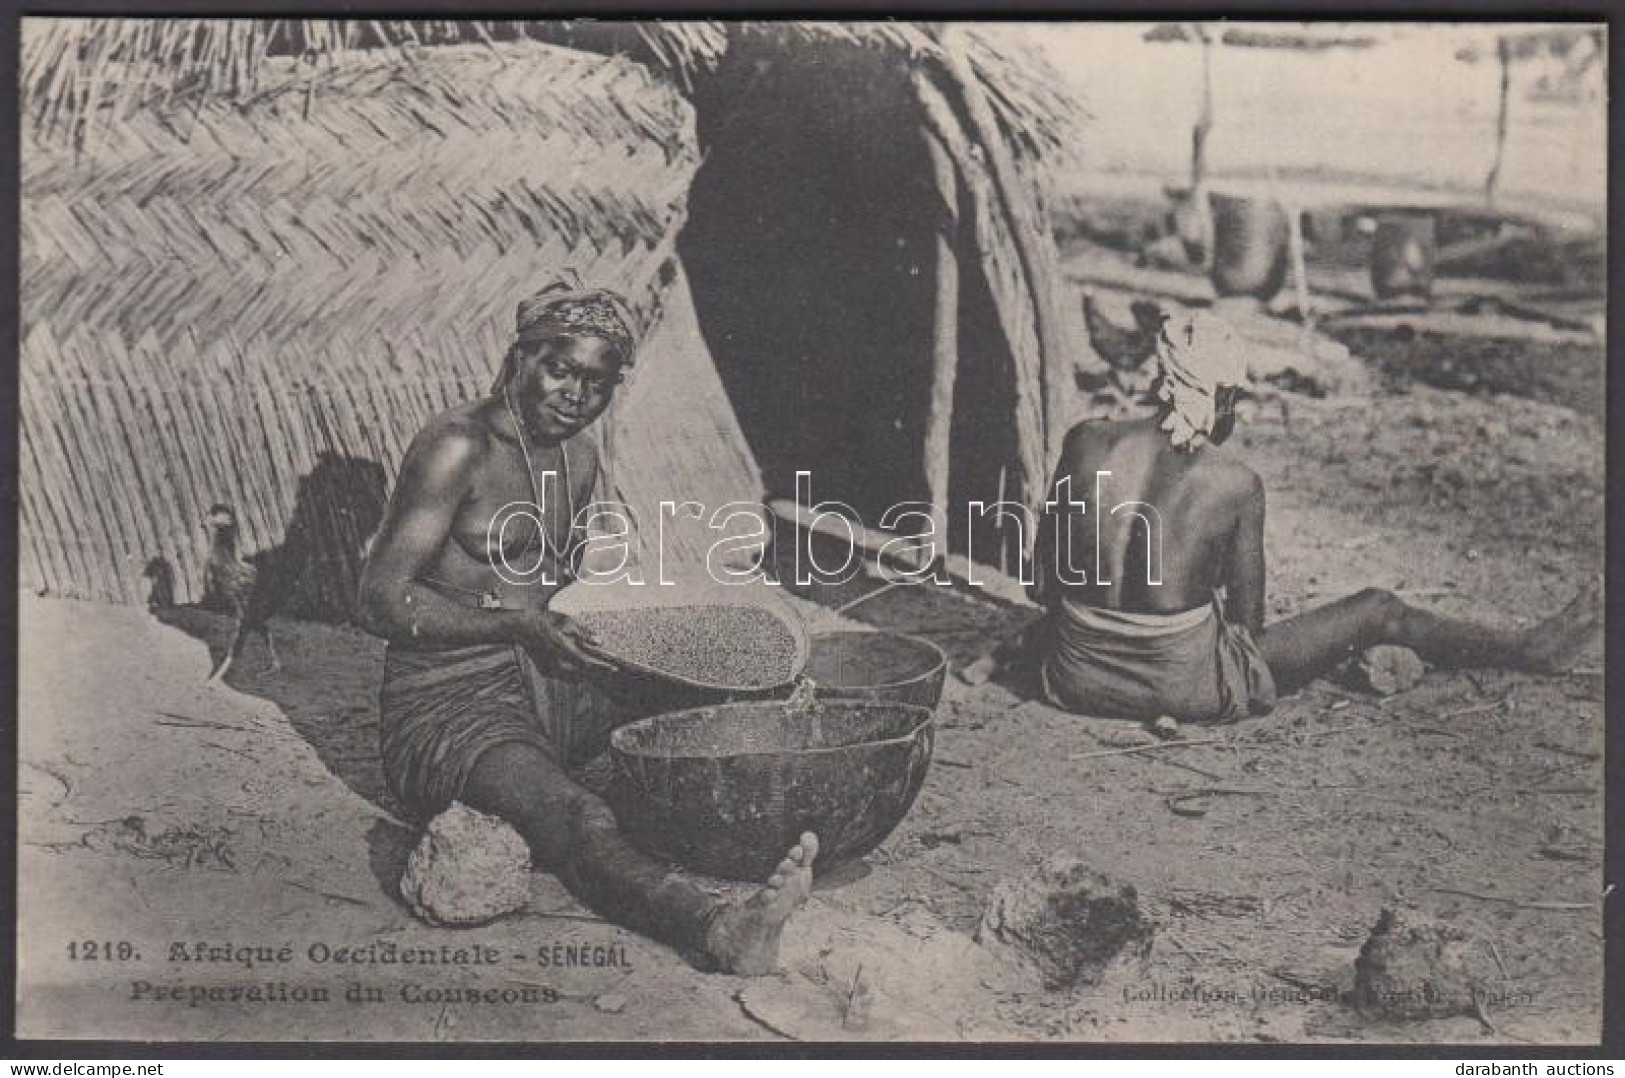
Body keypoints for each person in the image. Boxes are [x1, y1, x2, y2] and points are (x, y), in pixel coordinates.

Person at [358, 276, 816, 974]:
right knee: (577, 816)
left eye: (596, 382)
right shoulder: (458, 447)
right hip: (448, 704)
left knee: (725, 705)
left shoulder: (579, 456)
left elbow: (560, 587)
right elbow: (381, 599)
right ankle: (722, 928)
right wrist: (515, 628)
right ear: (522, 358)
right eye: (560, 369)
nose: (575, 394)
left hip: (547, 674)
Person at [1031, 307, 1600, 723]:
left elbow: (1043, 584)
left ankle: (1529, 647)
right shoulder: (1234, 482)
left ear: (1159, 379)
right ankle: (1528, 650)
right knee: (1378, 609)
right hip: (1185, 691)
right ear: (1224, 398)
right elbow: (1248, 635)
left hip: (1073, 678)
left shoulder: (1085, 442)